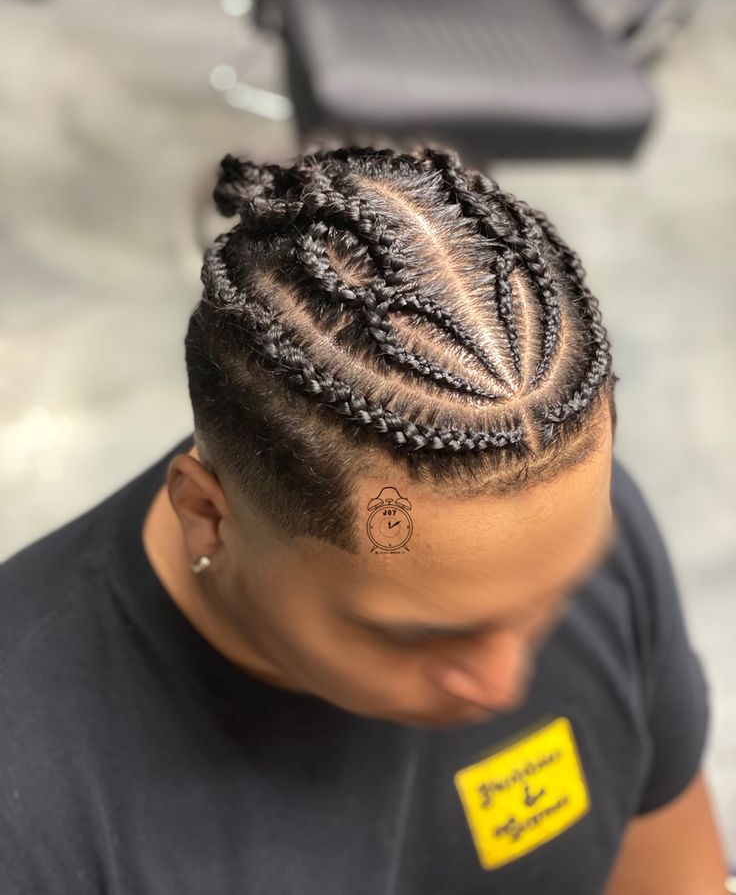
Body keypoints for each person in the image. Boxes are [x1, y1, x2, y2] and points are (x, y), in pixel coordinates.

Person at [0, 145, 728, 894]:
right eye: (422, 632)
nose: (505, 680)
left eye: (560, 589)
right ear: (206, 516)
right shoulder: (31, 811)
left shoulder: (582, 535)